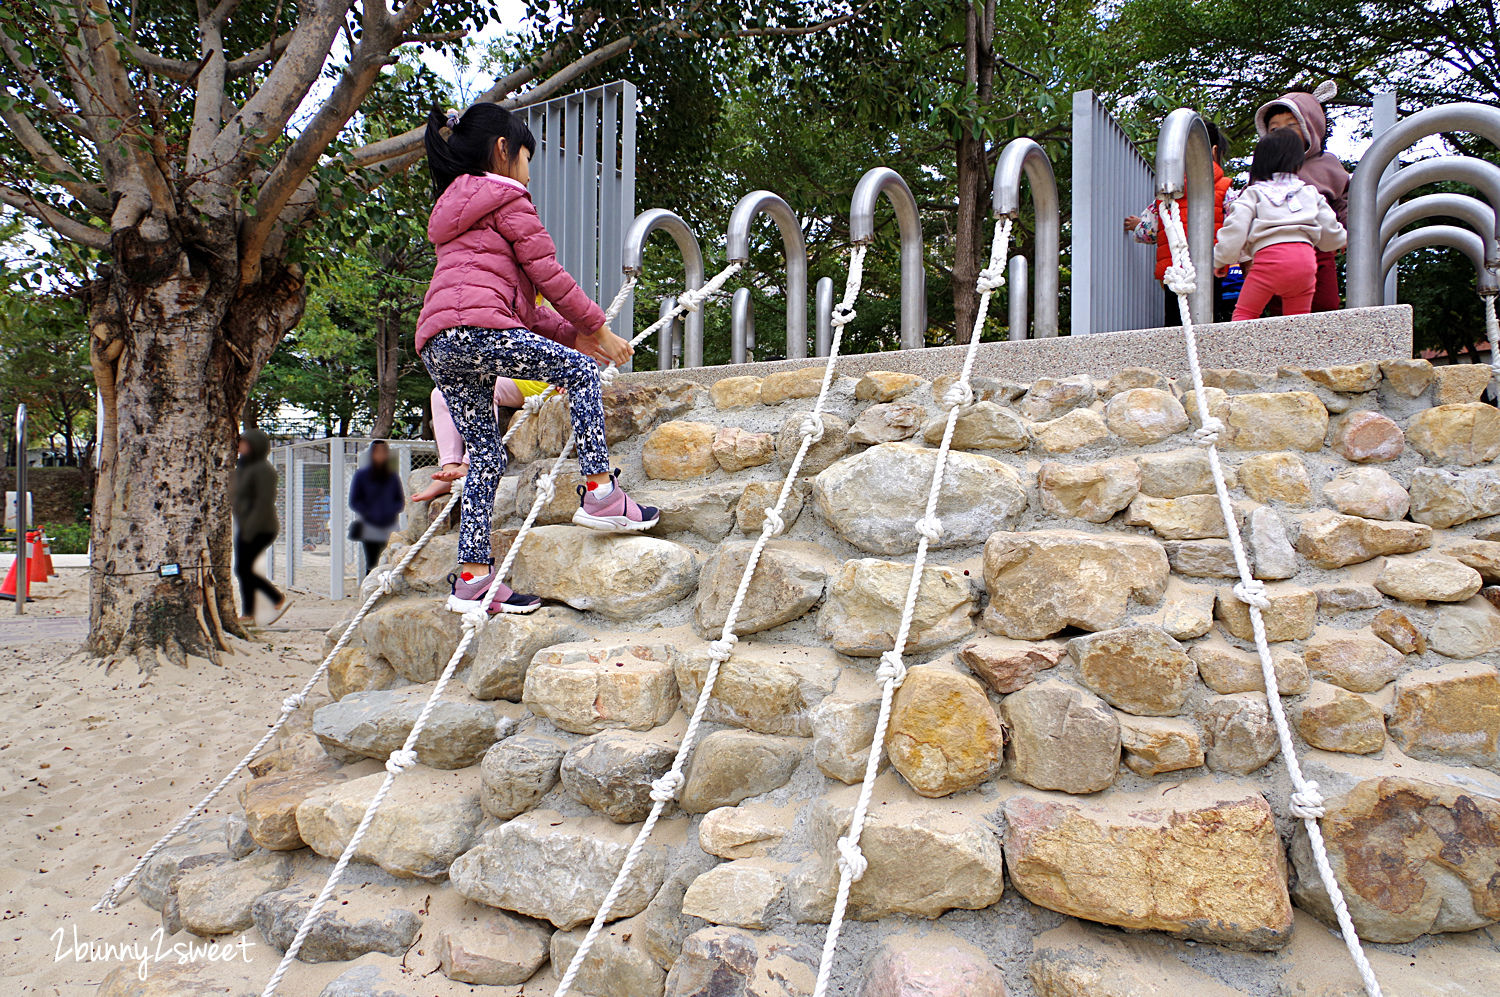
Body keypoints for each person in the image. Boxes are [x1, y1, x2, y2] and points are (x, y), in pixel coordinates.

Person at [417, 102, 659, 616]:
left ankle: (472, 579)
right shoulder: (507, 197)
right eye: (527, 157)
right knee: (580, 373)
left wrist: (575, 333)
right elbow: (549, 276)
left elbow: (522, 310)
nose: (530, 171)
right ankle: (600, 494)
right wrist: (599, 330)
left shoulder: (456, 213)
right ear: (503, 151)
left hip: (440, 346)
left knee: (484, 455)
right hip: (479, 332)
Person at [1213, 128, 1346, 321]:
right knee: (1297, 323)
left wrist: (1222, 259)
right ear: (1297, 161)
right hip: (1305, 263)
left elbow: (1235, 230)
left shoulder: (1254, 193)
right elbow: (1331, 232)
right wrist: (1341, 240)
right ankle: (1297, 351)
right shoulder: (1309, 192)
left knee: (1245, 314)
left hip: (1268, 263)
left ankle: (1238, 351)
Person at [1124, 118, 1238, 323]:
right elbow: (1236, 225)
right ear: (1214, 152)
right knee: (1211, 319)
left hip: (1175, 271)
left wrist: (1136, 226)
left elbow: (1149, 230)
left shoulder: (1168, 192)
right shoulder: (1225, 190)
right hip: (1211, 268)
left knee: (1176, 324)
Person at [1254, 81, 1350, 312]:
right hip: (1274, 250)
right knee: (1280, 308)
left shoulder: (1327, 165)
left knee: (1326, 303)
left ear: (1311, 128)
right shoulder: (1264, 172)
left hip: (1318, 248)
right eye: (1275, 129)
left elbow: (1343, 201)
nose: (1283, 133)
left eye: (1291, 125)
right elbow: (1249, 208)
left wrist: (1348, 231)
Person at [411, 378, 550, 503]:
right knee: (441, 392)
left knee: (482, 386)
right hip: (514, 372)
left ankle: (470, 464)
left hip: (547, 375)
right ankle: (450, 468)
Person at [231, 428, 290, 625]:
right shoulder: (243, 466)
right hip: (247, 525)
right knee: (243, 569)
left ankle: (259, 607)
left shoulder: (264, 470)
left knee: (244, 569)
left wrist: (249, 530)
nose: (240, 447)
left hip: (260, 526)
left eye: (244, 443)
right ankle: (265, 603)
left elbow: (264, 502)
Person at [349, 440, 405, 574]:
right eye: (377, 452)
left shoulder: (392, 476)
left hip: (390, 526)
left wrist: (390, 512)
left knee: (389, 562)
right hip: (370, 526)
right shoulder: (361, 475)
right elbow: (354, 501)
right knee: (372, 563)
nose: (380, 455)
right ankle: (371, 592)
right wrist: (370, 513)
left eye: (383, 452)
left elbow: (400, 501)